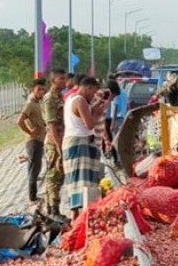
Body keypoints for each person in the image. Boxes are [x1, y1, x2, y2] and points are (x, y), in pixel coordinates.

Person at [63, 76, 111, 218]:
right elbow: (90, 124)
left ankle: (77, 216)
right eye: (93, 92)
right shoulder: (80, 101)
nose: (94, 96)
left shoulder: (72, 98)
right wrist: (97, 113)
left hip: (77, 142)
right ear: (88, 88)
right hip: (79, 143)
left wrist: (97, 108)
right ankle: (80, 217)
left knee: (78, 182)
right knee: (82, 183)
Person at [17, 78, 48, 205]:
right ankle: (32, 197)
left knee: (37, 167)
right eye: (38, 89)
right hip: (33, 141)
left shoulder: (38, 103)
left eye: (43, 89)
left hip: (40, 140)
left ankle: (34, 195)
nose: (41, 92)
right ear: (32, 90)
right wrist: (30, 132)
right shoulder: (30, 103)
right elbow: (19, 121)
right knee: (34, 169)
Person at [42, 69, 68, 218]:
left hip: (60, 138)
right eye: (61, 79)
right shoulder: (49, 99)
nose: (64, 81)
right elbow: (51, 124)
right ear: (53, 81)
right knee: (54, 176)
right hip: (53, 142)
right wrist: (58, 146)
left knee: (58, 175)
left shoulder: (60, 97)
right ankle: (53, 210)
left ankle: (52, 208)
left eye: (64, 79)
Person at [104, 79, 122, 165]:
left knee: (112, 141)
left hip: (109, 120)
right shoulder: (100, 101)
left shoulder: (106, 101)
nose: (112, 99)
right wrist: (106, 139)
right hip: (106, 122)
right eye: (113, 96)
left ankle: (113, 160)